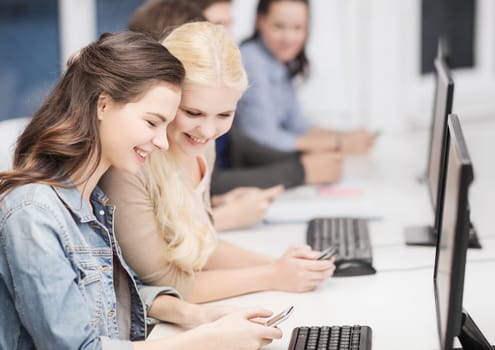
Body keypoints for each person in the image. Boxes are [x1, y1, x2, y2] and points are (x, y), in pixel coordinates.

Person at [0, 31, 281, 349]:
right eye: (151, 123)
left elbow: (111, 292)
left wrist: (194, 315)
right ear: (103, 105)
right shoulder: (34, 213)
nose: (162, 142)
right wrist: (208, 340)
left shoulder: (92, 201)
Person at [100, 22, 335, 304]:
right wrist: (272, 274)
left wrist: (283, 265)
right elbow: (167, 281)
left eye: (224, 115)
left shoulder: (202, 147)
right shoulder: (130, 164)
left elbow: (200, 245)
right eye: (193, 112)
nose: (208, 131)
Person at [128, 0, 286, 231]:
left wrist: (212, 205)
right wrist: (223, 217)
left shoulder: (204, 137)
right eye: (216, 26)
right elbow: (156, 257)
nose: (224, 40)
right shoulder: (134, 158)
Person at [185, 0, 344, 195]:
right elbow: (210, 180)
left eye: (229, 24)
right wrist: (302, 169)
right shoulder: (249, 62)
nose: (229, 36)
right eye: (217, 26)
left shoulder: (275, 63)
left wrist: (305, 162)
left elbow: (240, 144)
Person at [235, 0, 376, 154]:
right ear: (260, 21)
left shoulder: (279, 61)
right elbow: (264, 138)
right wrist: (339, 143)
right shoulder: (251, 60)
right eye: (279, 26)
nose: (289, 37)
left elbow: (298, 125)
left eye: (298, 27)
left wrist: (348, 136)